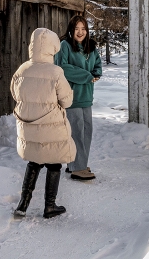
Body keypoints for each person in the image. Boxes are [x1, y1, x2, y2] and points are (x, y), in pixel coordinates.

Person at [11, 27, 77, 219]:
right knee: (54, 164)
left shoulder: (22, 69)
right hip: (51, 127)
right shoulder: (56, 72)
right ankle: (50, 206)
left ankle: (23, 205)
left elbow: (16, 95)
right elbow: (67, 101)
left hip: (29, 126)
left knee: (34, 162)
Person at [54, 15, 102, 181]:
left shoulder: (91, 47)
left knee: (87, 131)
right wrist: (86, 75)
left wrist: (96, 74)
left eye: (83, 29)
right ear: (71, 30)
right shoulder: (64, 46)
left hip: (87, 95)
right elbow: (62, 68)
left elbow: (97, 64)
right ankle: (78, 168)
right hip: (71, 96)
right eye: (77, 29)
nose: (80, 32)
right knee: (76, 131)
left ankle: (78, 164)